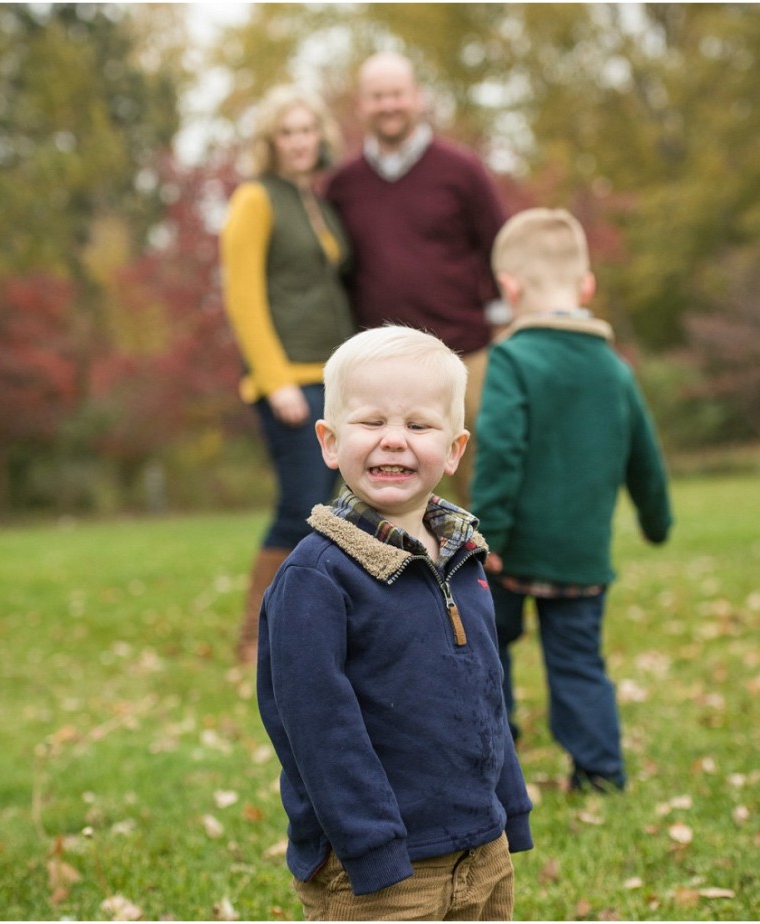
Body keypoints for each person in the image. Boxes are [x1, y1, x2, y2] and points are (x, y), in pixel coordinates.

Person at [257, 325, 533, 919]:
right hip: (381, 869)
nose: (393, 442)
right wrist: (372, 849)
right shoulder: (318, 577)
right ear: (329, 442)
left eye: (418, 425)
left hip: (481, 850)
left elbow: (487, 691)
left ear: (455, 449)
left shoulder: (463, 557)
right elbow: (315, 727)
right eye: (371, 421)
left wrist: (508, 809)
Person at [469, 208, 674, 795]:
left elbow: (501, 452)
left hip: (512, 551)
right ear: (587, 287)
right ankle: (600, 772)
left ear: (509, 290)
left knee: (492, 649)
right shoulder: (614, 370)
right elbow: (645, 455)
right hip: (582, 554)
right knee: (579, 661)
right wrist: (657, 522)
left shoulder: (512, 359)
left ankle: (493, 758)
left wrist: (491, 537)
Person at [325, 51, 509, 507]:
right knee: (384, 485)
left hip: (467, 352)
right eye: (377, 96)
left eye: (397, 94)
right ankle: (388, 577)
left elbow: (500, 248)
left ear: (417, 98)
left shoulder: (461, 171)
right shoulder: (342, 185)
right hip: (377, 361)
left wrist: (505, 324)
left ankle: (487, 576)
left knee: (479, 475)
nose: (389, 105)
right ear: (362, 105)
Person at [220, 85, 357, 664]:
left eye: (308, 130)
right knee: (300, 501)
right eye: (287, 132)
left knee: (331, 503)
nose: (300, 141)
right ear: (270, 142)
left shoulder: (318, 202)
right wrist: (274, 378)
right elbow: (243, 295)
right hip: (289, 381)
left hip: (331, 377)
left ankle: (315, 628)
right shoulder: (256, 199)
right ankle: (255, 636)